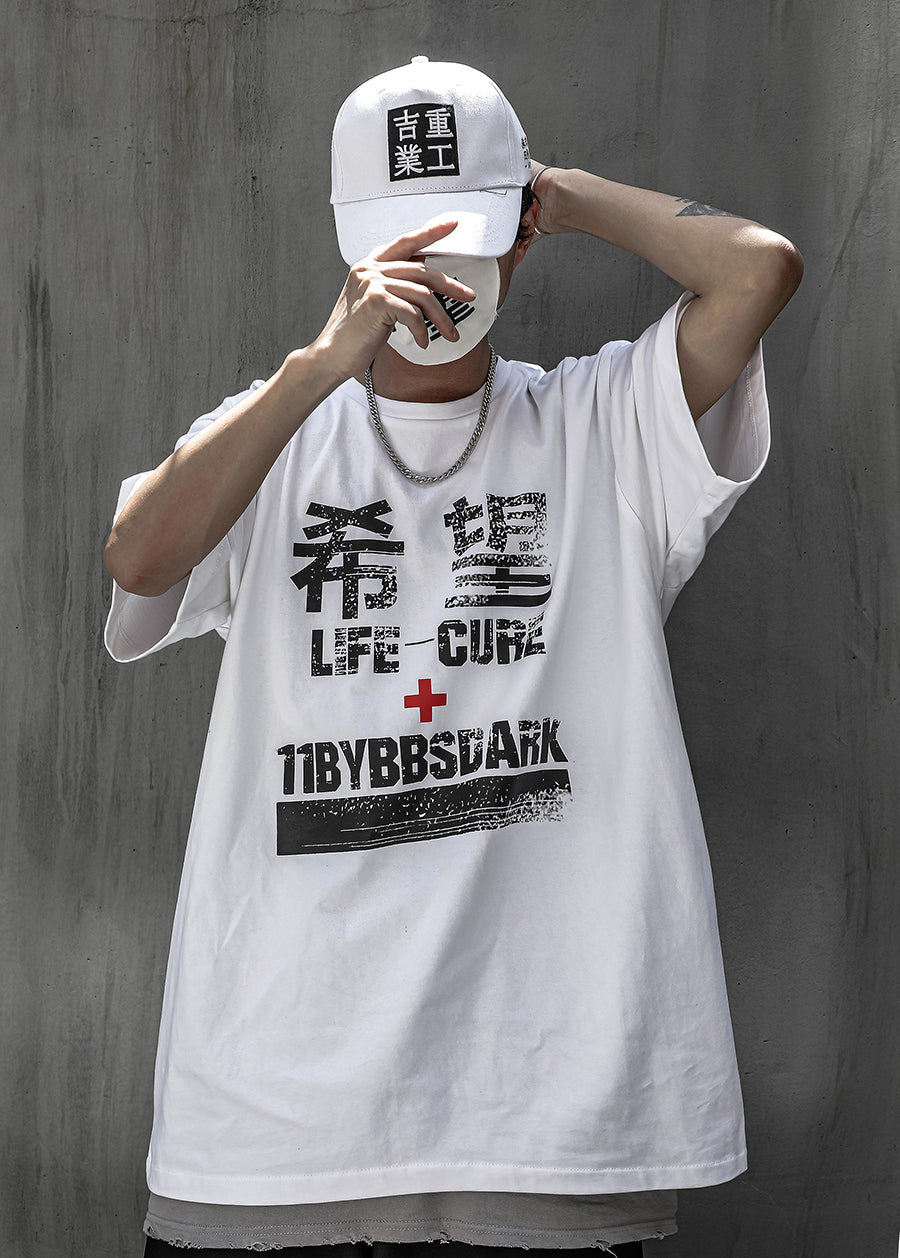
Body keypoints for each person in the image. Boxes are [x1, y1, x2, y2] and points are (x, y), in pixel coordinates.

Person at [103, 56, 802, 1257]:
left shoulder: (600, 426)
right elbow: (139, 557)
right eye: (405, 241)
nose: (438, 275)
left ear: (513, 243)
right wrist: (318, 367)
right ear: (350, 245)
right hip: (273, 1132)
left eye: (465, 238)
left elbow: (759, 270)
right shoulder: (276, 438)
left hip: (547, 1135)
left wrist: (552, 195)